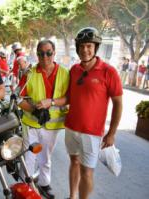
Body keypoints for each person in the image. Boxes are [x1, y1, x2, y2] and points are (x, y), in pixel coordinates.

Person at [63, 27, 122, 199]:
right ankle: (72, 196)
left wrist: (111, 133)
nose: (85, 50)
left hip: (92, 133)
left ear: (95, 47)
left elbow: (118, 104)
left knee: (87, 171)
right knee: (73, 162)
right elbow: (68, 97)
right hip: (71, 127)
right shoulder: (74, 70)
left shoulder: (108, 71)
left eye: (89, 46)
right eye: (81, 46)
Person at [18, 40, 70, 199]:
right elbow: (19, 99)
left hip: (52, 126)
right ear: (36, 54)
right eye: (40, 53)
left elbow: (68, 98)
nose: (44, 56)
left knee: (45, 157)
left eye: (48, 52)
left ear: (54, 53)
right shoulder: (30, 73)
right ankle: (23, 187)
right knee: (28, 157)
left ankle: (44, 184)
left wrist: (51, 102)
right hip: (31, 123)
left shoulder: (64, 73)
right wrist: (34, 109)